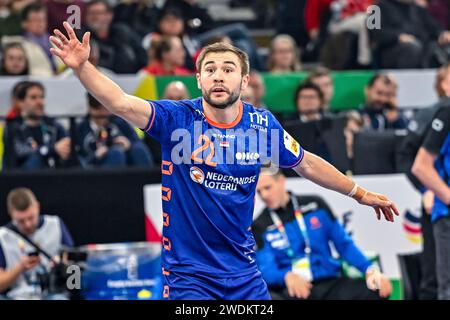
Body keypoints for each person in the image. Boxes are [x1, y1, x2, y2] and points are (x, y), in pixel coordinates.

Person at [49, 22, 399, 299]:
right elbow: (121, 103)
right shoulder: (176, 119)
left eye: (228, 69)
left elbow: (305, 163)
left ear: (244, 80)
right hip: (189, 275)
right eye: (210, 69)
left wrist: (359, 193)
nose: (219, 75)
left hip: (244, 273)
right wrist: (83, 68)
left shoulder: (262, 124)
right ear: (198, 79)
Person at [253, 170, 392, 300]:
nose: (264, 195)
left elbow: (344, 245)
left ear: (281, 181)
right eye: (259, 192)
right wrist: (286, 277)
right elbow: (266, 267)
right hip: (295, 290)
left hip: (330, 282)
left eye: (267, 188)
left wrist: (369, 269)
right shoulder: (259, 224)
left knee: (377, 288)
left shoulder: (315, 204)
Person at [397, 64, 450, 299]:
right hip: (441, 205)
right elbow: (414, 161)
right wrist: (431, 190)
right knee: (437, 280)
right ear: (443, 84)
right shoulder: (438, 113)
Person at [0, 188, 74, 300]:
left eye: (31, 217)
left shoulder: (55, 225)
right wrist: (20, 268)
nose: (27, 224)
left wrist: (61, 266)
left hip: (53, 294)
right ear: (11, 214)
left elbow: (75, 270)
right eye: (21, 221)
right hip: (16, 295)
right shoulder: (3, 237)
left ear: (37, 206)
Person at [2, 81, 73, 170]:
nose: (40, 102)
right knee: (35, 160)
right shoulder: (12, 126)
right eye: (33, 97)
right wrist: (52, 150)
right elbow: (20, 152)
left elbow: (66, 146)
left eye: (42, 97)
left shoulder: (54, 126)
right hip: (20, 178)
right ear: (21, 102)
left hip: (52, 177)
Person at [76, 93, 154, 168]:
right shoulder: (81, 128)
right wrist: (95, 156)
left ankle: (148, 180)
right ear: (89, 108)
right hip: (96, 167)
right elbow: (79, 159)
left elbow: (136, 141)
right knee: (116, 153)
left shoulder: (119, 122)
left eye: (105, 107)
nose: (103, 112)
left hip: (125, 162)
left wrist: (128, 144)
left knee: (137, 149)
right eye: (97, 108)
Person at [82, 0, 147, 74]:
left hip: (130, 78)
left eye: (99, 13)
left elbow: (141, 56)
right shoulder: (82, 37)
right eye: (91, 13)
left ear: (109, 15)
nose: (95, 17)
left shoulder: (124, 32)